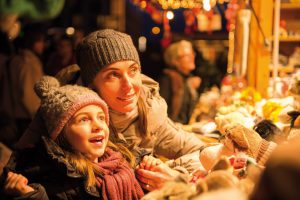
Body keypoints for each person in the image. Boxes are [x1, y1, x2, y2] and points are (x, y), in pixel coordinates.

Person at [17, 29, 206, 191]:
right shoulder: (59, 112)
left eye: (133, 70)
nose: (129, 86)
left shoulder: (148, 113)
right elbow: (17, 170)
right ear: (91, 84)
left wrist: (175, 175)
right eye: (113, 75)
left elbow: (202, 152)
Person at [1, 76, 144, 199]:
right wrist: (31, 197)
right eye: (84, 120)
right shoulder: (55, 180)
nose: (98, 126)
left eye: (101, 118)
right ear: (61, 132)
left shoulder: (124, 159)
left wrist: (150, 168)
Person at [8, 23, 45, 139]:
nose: (43, 45)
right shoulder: (29, 63)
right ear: (34, 43)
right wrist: (37, 118)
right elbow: (28, 94)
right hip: (27, 118)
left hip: (16, 115)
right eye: (41, 41)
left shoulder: (17, 59)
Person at [159, 40, 201, 124]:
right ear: (175, 60)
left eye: (192, 53)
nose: (192, 57)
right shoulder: (168, 79)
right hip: (173, 131)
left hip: (186, 129)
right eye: (187, 55)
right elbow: (161, 113)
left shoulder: (188, 79)